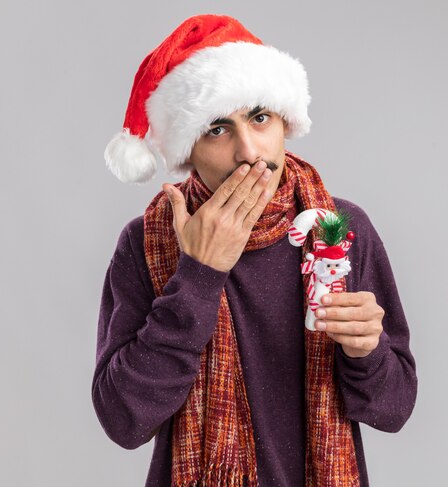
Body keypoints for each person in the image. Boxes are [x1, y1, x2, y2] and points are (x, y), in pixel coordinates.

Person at [92, 14, 417, 487]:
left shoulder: (338, 229)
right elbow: (123, 420)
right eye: (217, 129)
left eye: (259, 118)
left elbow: (395, 408)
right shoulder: (146, 242)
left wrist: (367, 350)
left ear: (284, 121)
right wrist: (198, 274)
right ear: (188, 150)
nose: (249, 151)